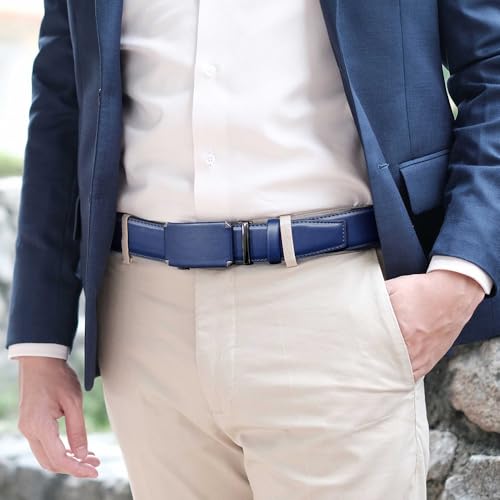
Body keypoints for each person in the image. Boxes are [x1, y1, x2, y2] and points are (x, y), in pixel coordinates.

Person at [5, 1, 500, 499]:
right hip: (145, 329)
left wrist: (459, 275)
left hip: (334, 308)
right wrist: (40, 346)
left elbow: (491, 66)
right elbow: (62, 104)